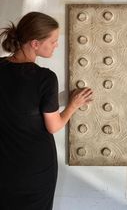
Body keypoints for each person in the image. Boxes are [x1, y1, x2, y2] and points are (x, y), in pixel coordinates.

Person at [0, 12, 93, 210]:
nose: (56, 45)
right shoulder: (44, 78)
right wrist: (73, 105)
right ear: (35, 43)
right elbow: (53, 126)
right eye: (52, 41)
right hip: (35, 168)